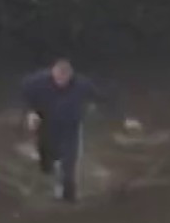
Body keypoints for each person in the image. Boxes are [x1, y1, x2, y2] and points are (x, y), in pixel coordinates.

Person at [19, 58, 141, 203]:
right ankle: (50, 171)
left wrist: (124, 119)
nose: (60, 83)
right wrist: (30, 112)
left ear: (70, 76)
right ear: (52, 73)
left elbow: (103, 99)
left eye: (64, 80)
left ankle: (67, 202)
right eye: (57, 79)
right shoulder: (37, 81)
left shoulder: (82, 84)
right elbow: (23, 94)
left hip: (71, 128)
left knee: (69, 167)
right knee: (47, 163)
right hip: (46, 124)